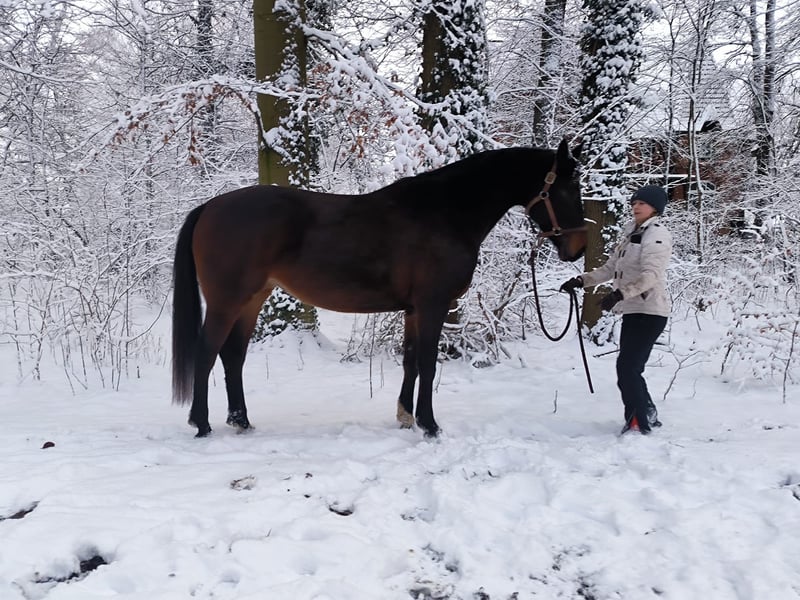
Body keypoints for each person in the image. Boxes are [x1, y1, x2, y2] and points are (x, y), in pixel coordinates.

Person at [560, 185, 672, 435]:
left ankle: (639, 421)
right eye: (634, 203)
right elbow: (610, 269)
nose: (636, 207)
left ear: (655, 208)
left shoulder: (656, 234)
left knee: (628, 368)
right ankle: (646, 412)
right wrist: (580, 281)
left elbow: (651, 275)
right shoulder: (631, 233)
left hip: (650, 311)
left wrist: (620, 293)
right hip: (633, 310)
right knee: (628, 368)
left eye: (642, 203)